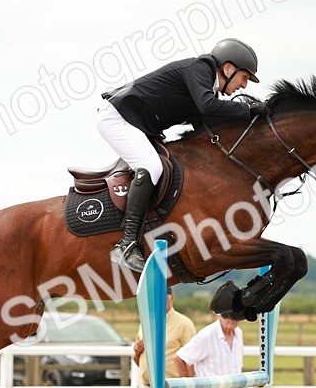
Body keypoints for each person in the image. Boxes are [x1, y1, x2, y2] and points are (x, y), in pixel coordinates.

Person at [99, 38, 264, 272]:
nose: (244, 86)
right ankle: (126, 245)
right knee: (152, 166)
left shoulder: (205, 87)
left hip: (137, 124)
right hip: (117, 118)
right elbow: (208, 107)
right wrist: (247, 109)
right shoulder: (200, 69)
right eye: (244, 77)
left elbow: (207, 121)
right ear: (228, 68)